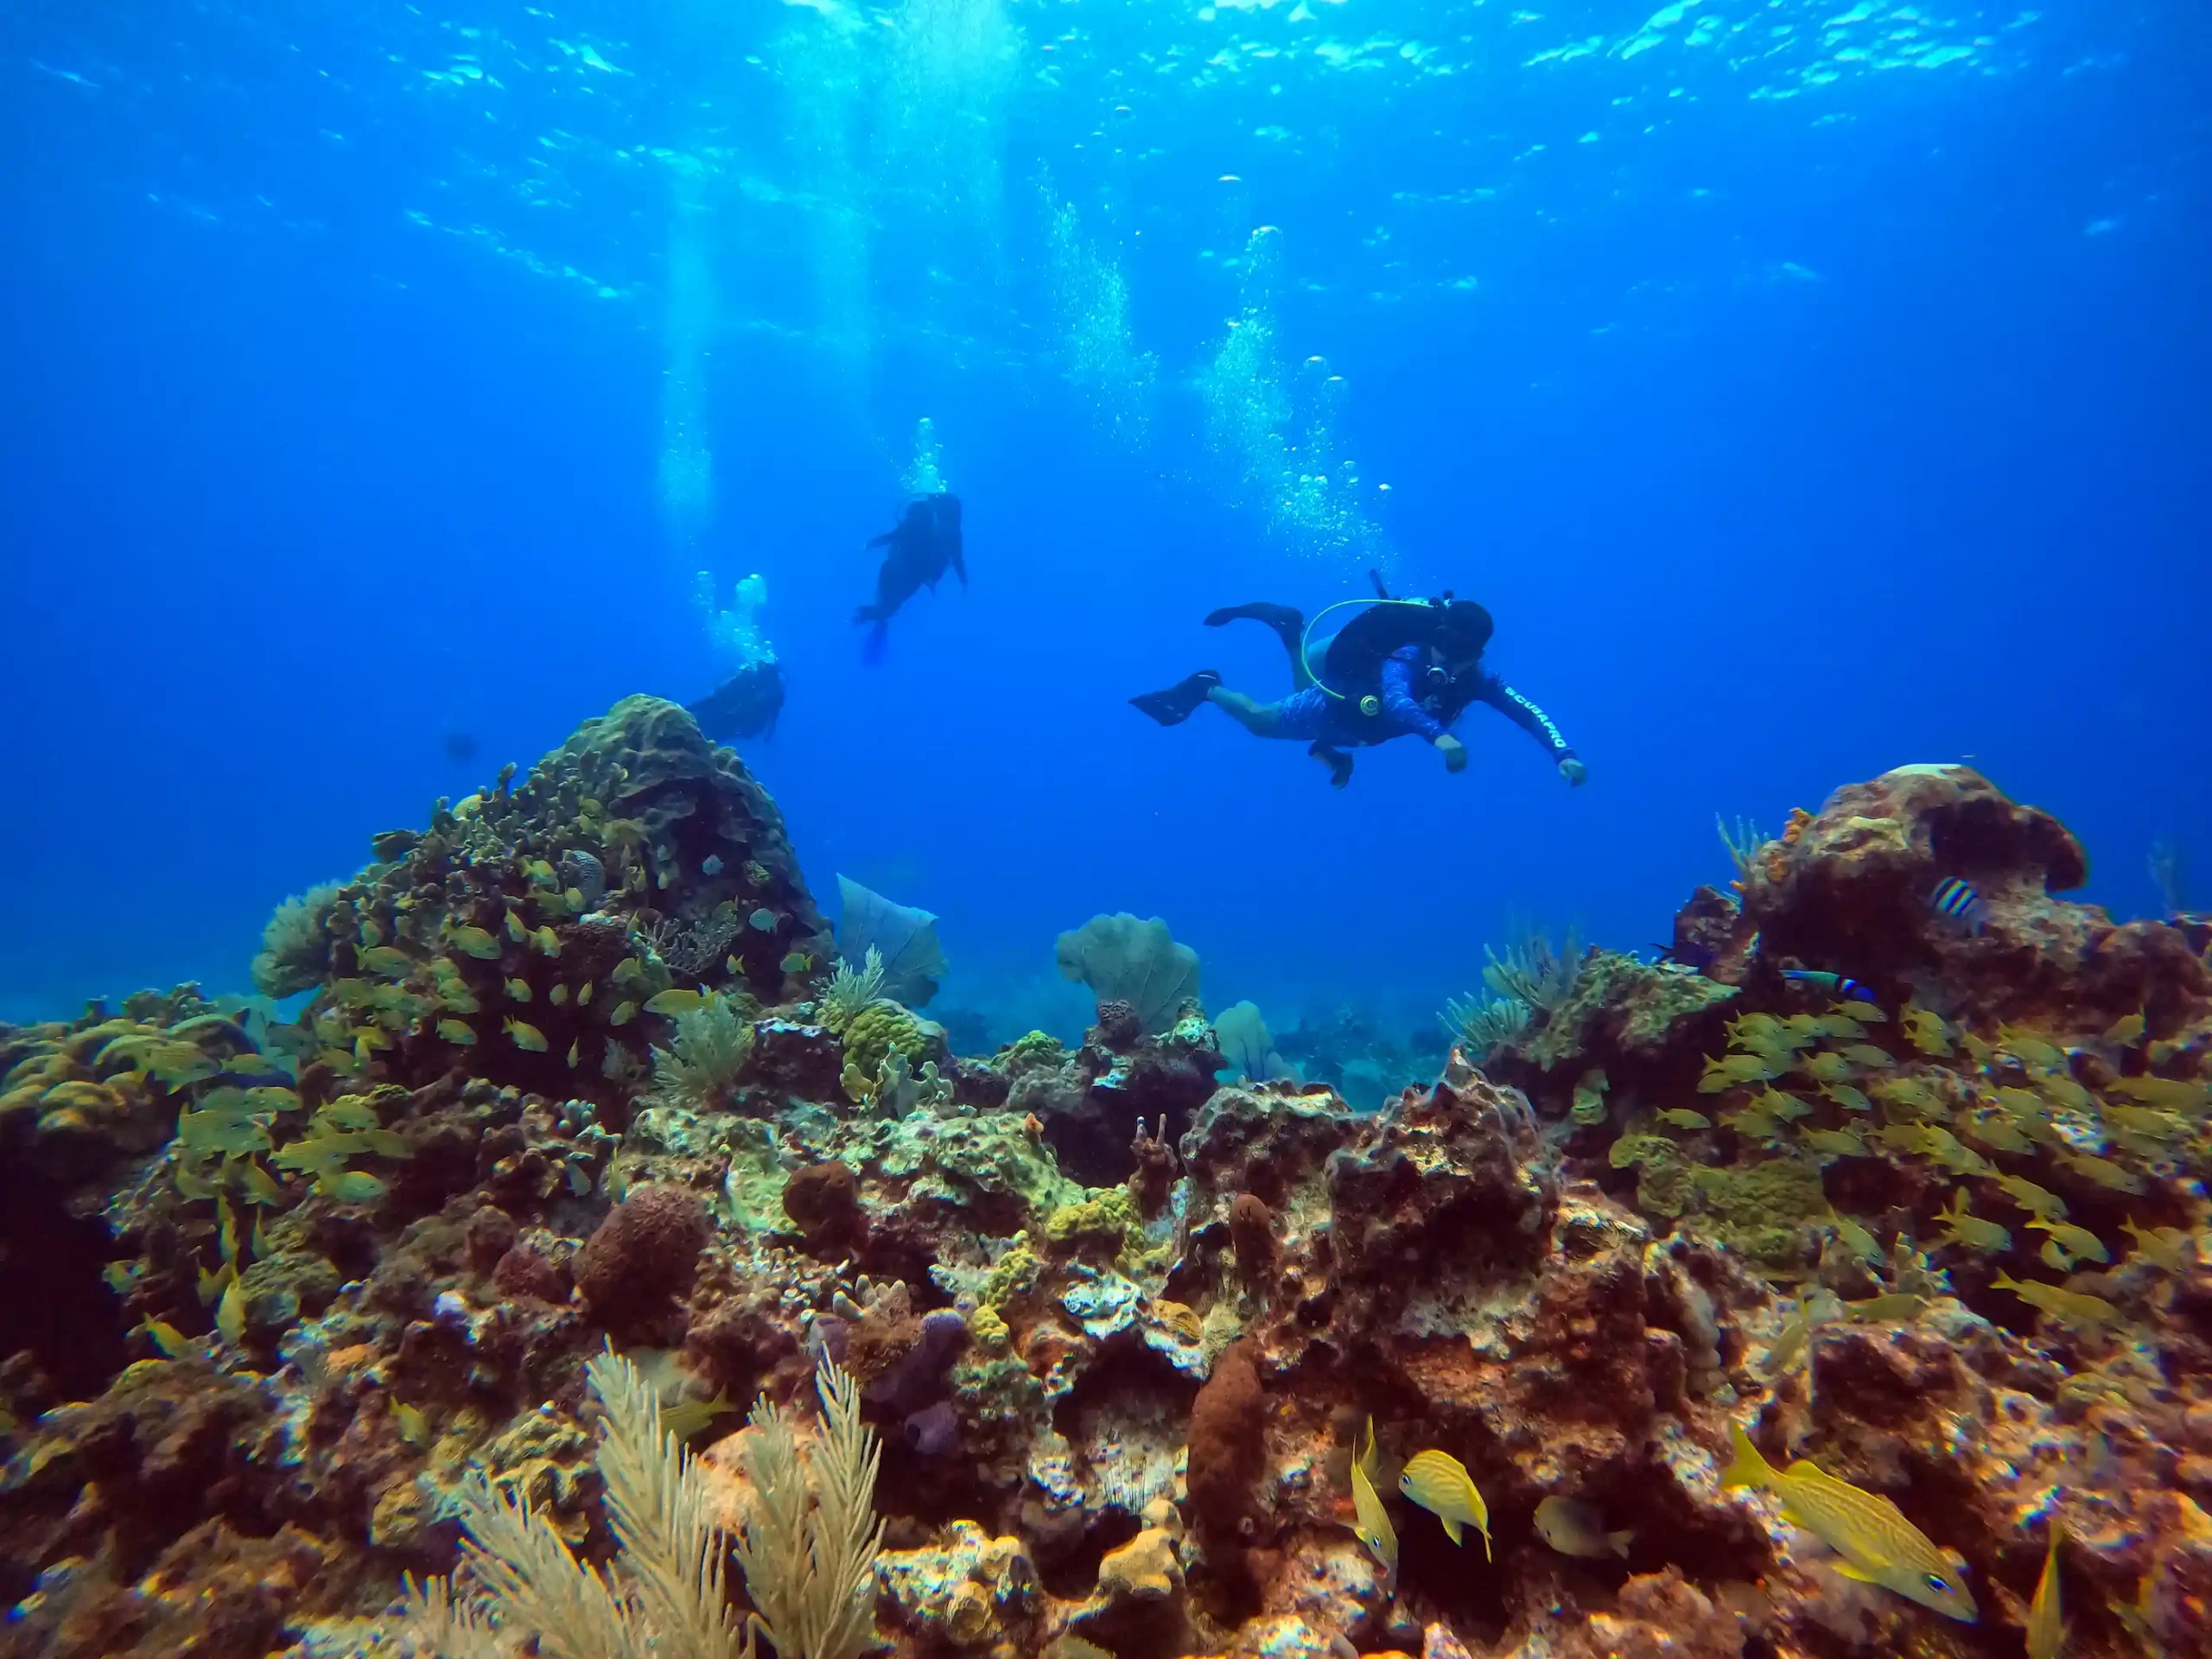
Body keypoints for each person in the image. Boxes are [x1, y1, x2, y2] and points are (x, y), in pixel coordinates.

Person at [1130, 582, 1587, 790]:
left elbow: (1526, 710)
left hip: (1353, 724)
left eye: (1465, 656)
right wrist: (1440, 735)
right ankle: (1207, 685)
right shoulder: (1407, 657)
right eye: (1447, 649)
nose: (1450, 664)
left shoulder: (1478, 679)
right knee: (1259, 721)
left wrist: (1563, 753)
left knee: (1306, 697)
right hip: (1342, 711)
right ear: (1438, 638)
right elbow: (1396, 700)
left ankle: (1291, 631)